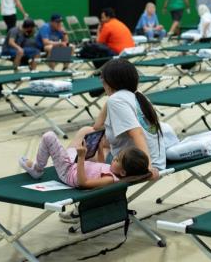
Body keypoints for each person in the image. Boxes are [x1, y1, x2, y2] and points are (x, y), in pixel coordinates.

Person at [59, 59, 165, 223]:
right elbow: (98, 125)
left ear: (109, 82)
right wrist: (109, 100)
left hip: (139, 163)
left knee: (86, 146)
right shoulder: (136, 96)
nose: (101, 82)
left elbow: (137, 134)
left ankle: (79, 195)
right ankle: (70, 165)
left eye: (103, 79)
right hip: (153, 156)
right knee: (86, 131)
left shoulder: (117, 101)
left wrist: (148, 167)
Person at [18, 131, 150, 188]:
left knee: (49, 137)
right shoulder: (114, 173)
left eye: (117, 160)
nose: (114, 158)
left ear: (123, 173)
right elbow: (101, 167)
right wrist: (99, 149)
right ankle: (43, 161)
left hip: (68, 172)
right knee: (71, 150)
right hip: (74, 165)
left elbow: (83, 183)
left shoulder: (110, 179)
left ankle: (37, 169)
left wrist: (81, 158)